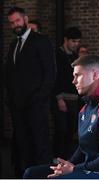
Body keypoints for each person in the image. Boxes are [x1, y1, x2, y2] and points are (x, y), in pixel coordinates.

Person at [23, 54, 99, 179]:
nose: (73, 81)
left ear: (94, 75)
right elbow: (84, 147)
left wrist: (75, 169)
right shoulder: (86, 108)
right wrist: (67, 165)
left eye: (77, 75)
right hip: (91, 169)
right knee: (31, 174)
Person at [5, 7, 56, 178]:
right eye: (12, 22)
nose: (15, 25)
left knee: (40, 144)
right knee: (23, 144)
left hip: (36, 105)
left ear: (25, 19)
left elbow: (50, 73)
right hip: (17, 107)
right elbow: (11, 75)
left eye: (17, 21)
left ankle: (43, 176)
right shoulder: (13, 45)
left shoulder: (41, 41)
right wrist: (9, 99)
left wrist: (39, 98)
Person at [52, 26, 82, 159]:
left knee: (71, 129)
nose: (76, 44)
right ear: (66, 40)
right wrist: (59, 99)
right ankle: (56, 157)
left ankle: (66, 158)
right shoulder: (56, 55)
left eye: (78, 41)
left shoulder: (75, 56)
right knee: (61, 129)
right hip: (61, 99)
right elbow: (54, 78)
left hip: (74, 99)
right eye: (74, 41)